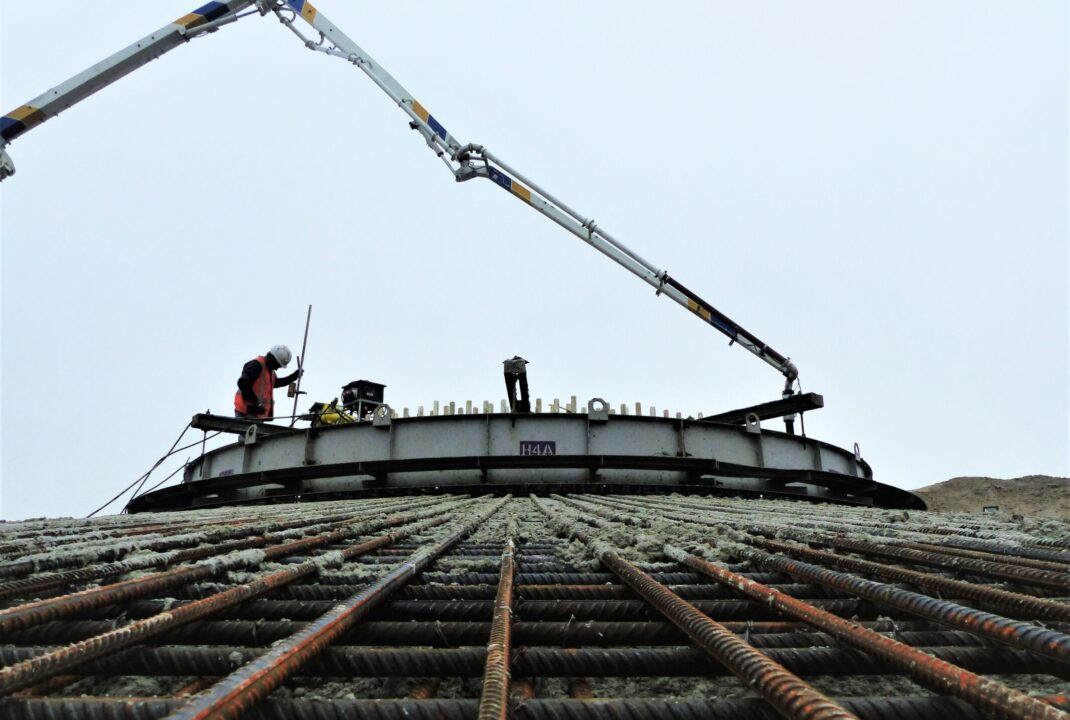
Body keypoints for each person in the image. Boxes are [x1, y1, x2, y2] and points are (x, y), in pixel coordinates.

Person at [234, 344, 302, 420]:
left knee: (257, 431)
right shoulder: (255, 365)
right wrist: (255, 403)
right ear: (272, 359)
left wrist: (294, 376)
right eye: (277, 365)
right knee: (250, 430)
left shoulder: (270, 370)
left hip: (257, 413)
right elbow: (243, 383)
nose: (277, 368)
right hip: (246, 411)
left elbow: (276, 383)